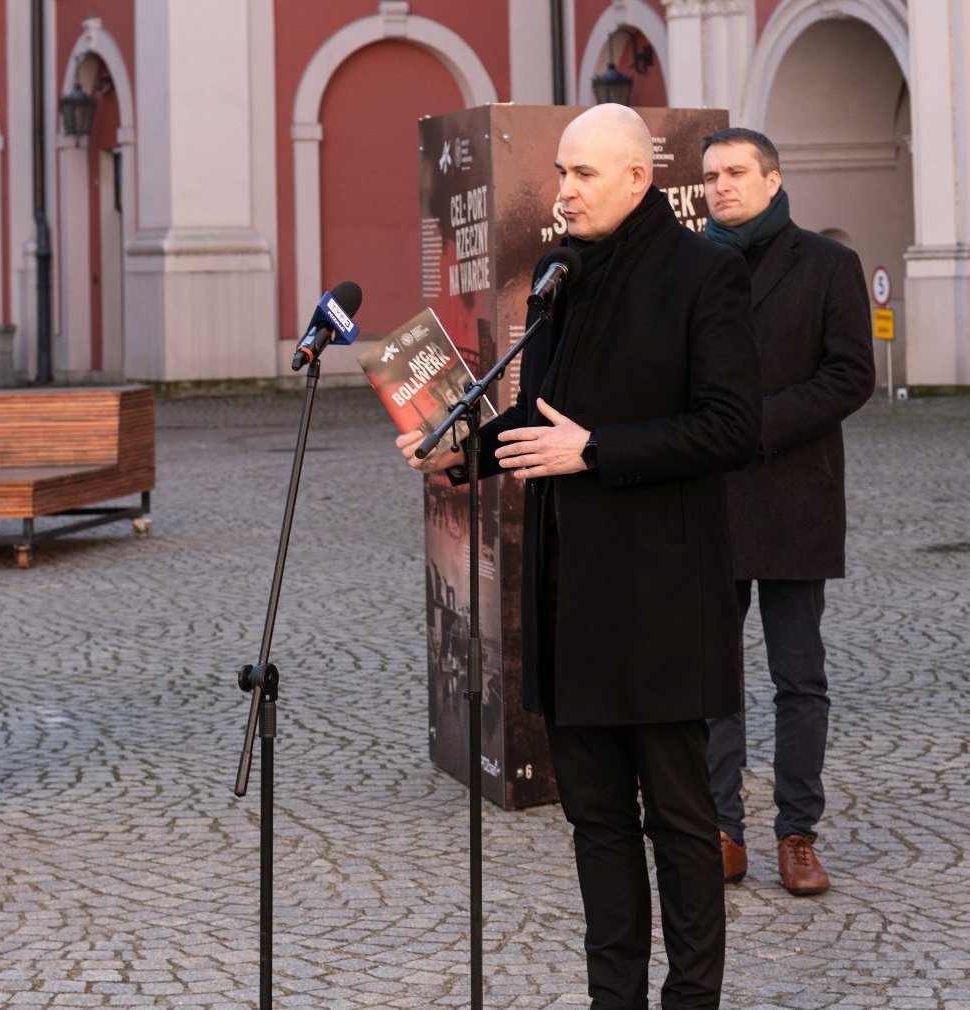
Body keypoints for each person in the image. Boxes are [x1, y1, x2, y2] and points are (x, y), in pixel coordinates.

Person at [397, 104, 760, 1008]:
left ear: (639, 178)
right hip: (567, 603)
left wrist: (596, 452)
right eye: (560, 173)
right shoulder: (561, 275)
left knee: (679, 823)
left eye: (582, 174)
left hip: (664, 604)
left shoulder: (705, 274)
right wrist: (460, 451)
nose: (562, 191)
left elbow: (731, 428)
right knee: (596, 822)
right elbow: (538, 418)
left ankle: (691, 1000)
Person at [697, 128, 874, 896]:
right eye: (710, 176)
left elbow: (850, 376)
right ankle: (721, 830)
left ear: (773, 180)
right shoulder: (689, 268)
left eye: (736, 173)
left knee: (799, 676)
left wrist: (753, 423)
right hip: (708, 496)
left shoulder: (828, 265)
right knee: (711, 677)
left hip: (795, 494)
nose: (721, 187)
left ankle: (797, 833)